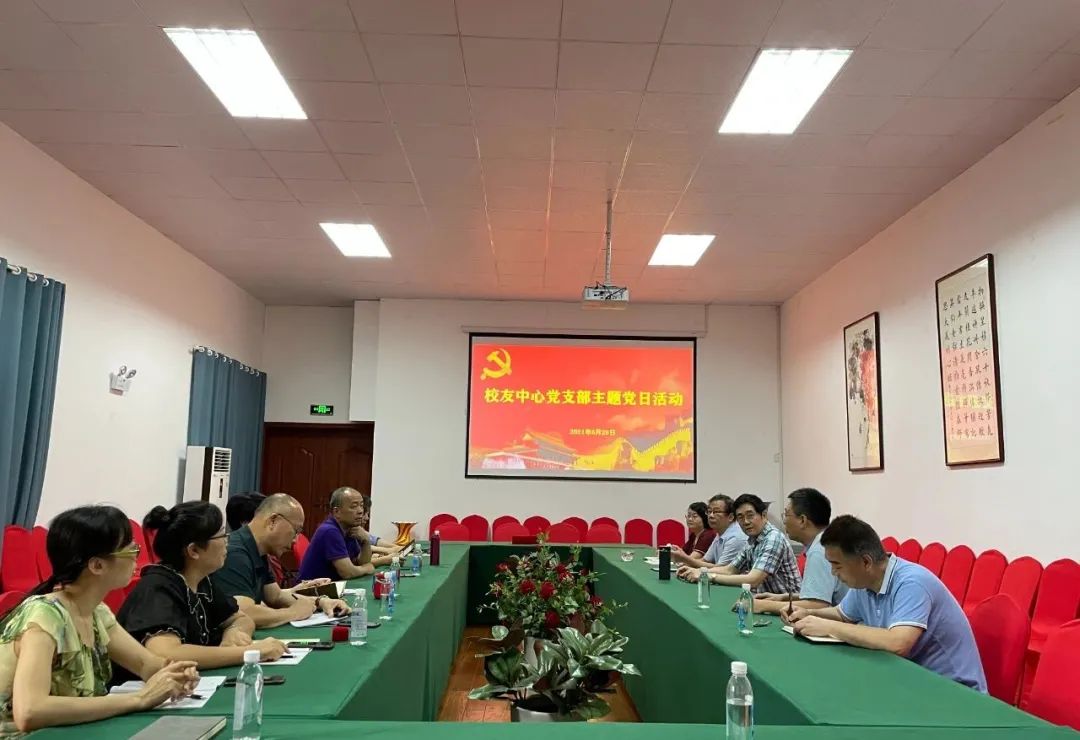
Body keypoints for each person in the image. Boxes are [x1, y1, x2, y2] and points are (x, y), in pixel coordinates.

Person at [0, 506, 198, 733]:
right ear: (97, 565)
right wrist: (140, 698)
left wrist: (174, 673)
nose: (137, 556)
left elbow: (146, 664)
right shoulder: (44, 616)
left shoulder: (96, 612)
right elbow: (30, 712)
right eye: (130, 550)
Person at [787, 515, 986, 692]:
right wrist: (808, 614)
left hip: (954, 690)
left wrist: (828, 627)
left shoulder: (912, 583)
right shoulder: (864, 581)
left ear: (866, 562)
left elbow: (898, 643)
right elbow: (842, 614)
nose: (833, 573)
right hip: (911, 678)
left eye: (836, 565)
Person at [117, 502, 287, 678]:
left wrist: (234, 632)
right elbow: (166, 653)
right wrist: (250, 652)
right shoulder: (158, 587)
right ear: (194, 550)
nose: (227, 541)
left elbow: (241, 618)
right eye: (221, 535)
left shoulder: (202, 581)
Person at [210, 494, 349, 629]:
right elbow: (243, 613)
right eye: (296, 531)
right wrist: (293, 613)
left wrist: (320, 602)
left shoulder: (258, 549)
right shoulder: (235, 552)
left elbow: (276, 596)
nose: (295, 541)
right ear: (273, 521)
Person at [678, 493, 801, 595]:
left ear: (764, 515)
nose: (745, 521)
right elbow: (730, 569)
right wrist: (700, 571)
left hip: (788, 607)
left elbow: (753, 580)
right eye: (741, 517)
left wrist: (707, 576)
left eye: (750, 515)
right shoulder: (752, 540)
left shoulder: (773, 538)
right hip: (763, 600)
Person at [754, 488, 848, 615]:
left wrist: (763, 605)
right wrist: (785, 597)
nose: (784, 521)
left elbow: (817, 605)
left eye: (786, 515)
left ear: (803, 520)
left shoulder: (820, 550)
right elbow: (820, 594)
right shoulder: (825, 541)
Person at [299, 488, 392, 581]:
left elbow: (360, 562)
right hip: (313, 588)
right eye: (354, 506)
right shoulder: (330, 531)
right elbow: (347, 573)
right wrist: (366, 569)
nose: (360, 511)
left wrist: (366, 541)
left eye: (361, 505)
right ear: (337, 512)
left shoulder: (350, 528)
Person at [671, 494, 747, 569]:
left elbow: (721, 569)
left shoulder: (735, 538)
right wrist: (685, 564)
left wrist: (684, 558)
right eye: (709, 511)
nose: (711, 515)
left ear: (731, 517)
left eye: (716, 512)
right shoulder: (720, 533)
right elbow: (705, 560)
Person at [225, 492, 285, 585]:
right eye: (270, 521)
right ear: (245, 524)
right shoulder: (235, 557)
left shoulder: (262, 553)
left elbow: (274, 592)